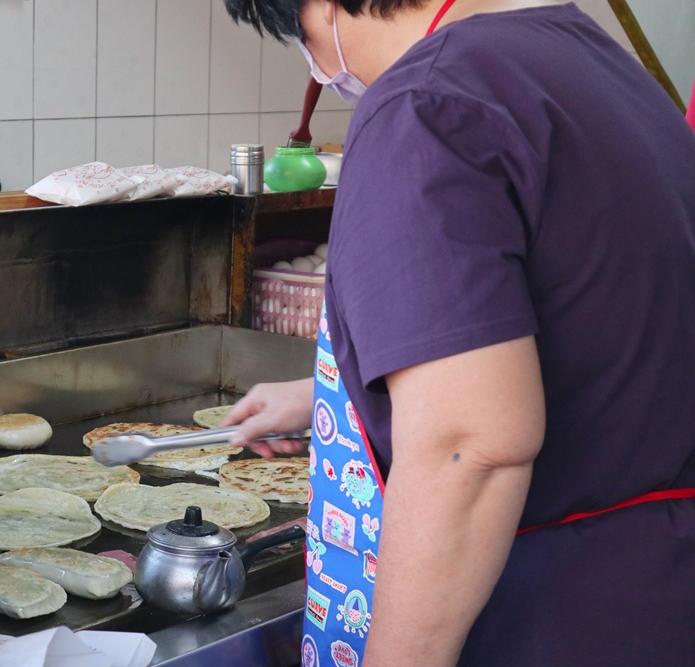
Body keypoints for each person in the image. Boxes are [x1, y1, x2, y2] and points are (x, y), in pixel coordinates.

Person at [221, 1, 695, 665]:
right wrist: (322, 397)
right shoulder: (590, 56)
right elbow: (590, 318)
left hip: (548, 619)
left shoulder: (421, 106)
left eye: (302, 38)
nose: (320, 69)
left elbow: (469, 447)